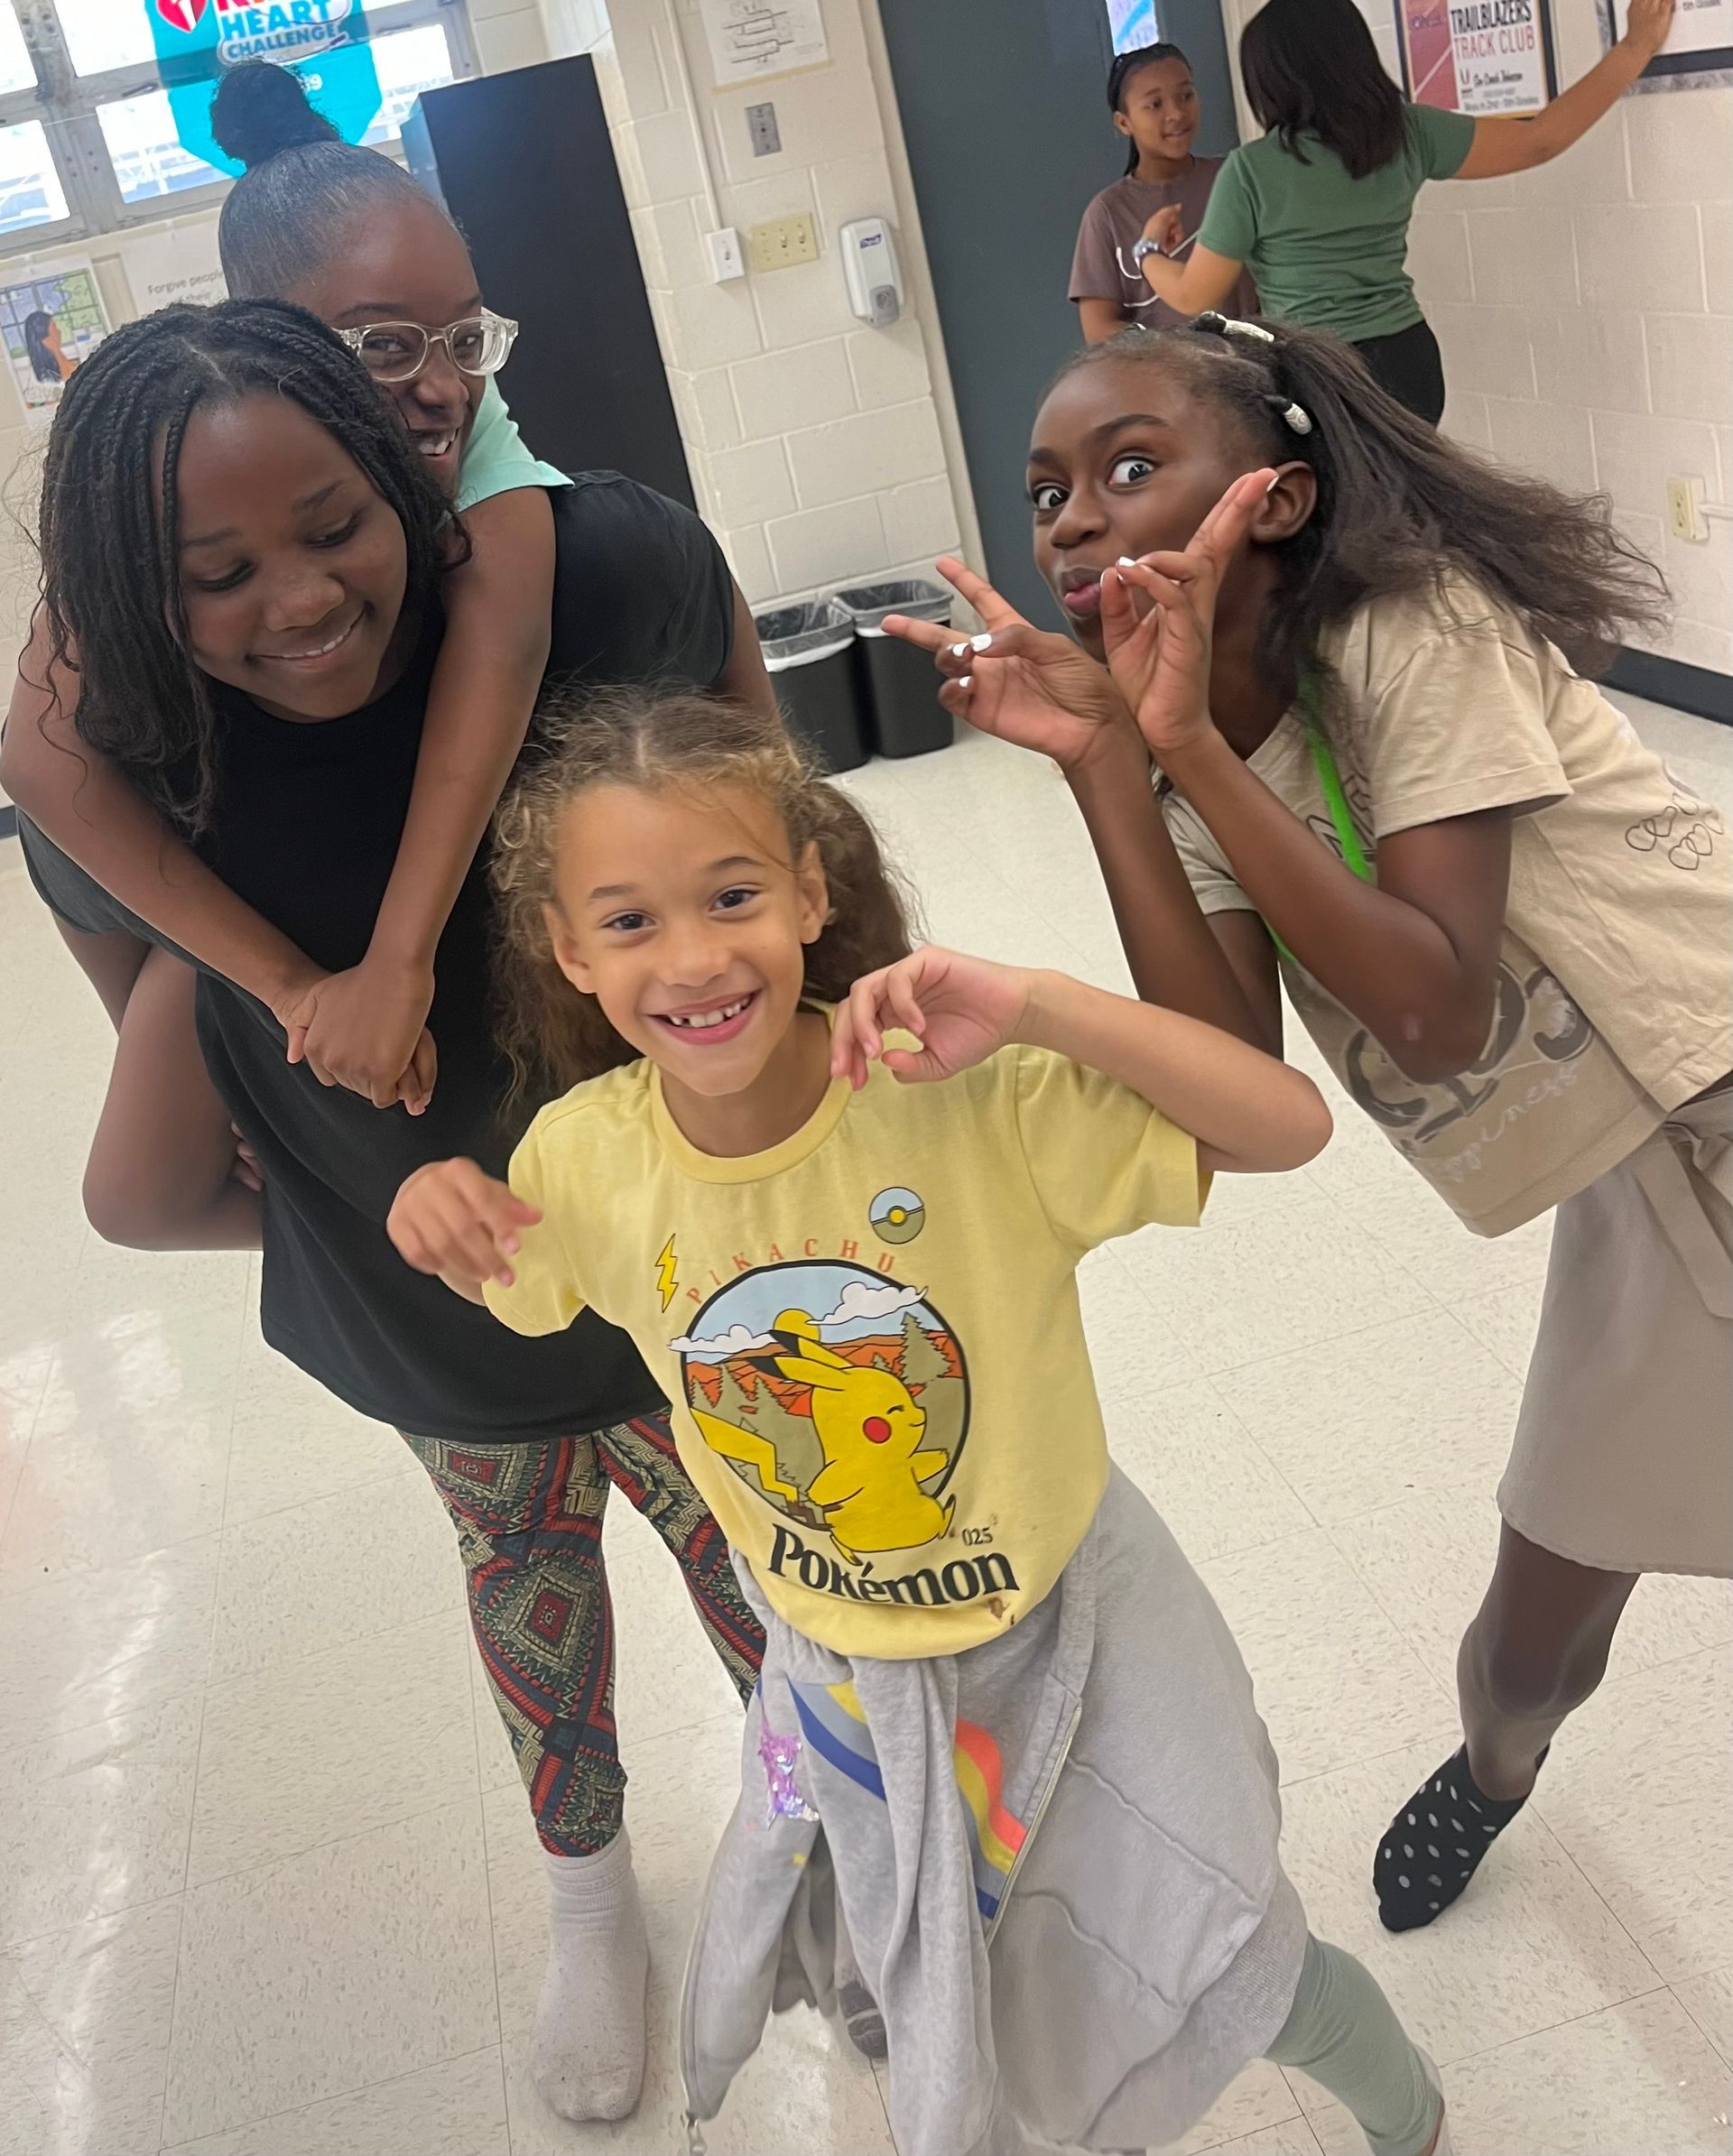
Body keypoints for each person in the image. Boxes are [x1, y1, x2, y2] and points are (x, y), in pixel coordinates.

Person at [386, 683, 1459, 2156]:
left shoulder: (954, 1097)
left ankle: (1411, 2112)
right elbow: (509, 1274)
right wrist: (427, 1203)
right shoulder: (584, 1160)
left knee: (1215, 1942)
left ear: (811, 889)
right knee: (985, 1994)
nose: (693, 955)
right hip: (845, 1664)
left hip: (1070, 1624)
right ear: (568, 949)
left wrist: (1035, 1000)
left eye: (733, 893)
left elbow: (1284, 1123)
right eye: (628, 920)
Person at [1, 297, 776, 2124]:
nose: (292, 598)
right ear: (132, 595)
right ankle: (588, 1895)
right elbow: (163, 1088)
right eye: (212, 572)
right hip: (437, 1320)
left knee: (777, 1586)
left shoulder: (544, 631)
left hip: (679, 1280)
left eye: (331, 527)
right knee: (528, 1594)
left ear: (407, 486)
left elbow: (754, 818)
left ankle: (828, 1842)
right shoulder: (144, 774)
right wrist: (338, 1202)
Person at [880, 314, 1732, 1936]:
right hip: (1642, 1193)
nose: (1071, 518)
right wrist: (1110, 769)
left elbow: (1434, 1005)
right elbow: (1227, 1078)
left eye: (1130, 468)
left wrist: (1181, 742)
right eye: (1048, 491)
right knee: (1533, 1634)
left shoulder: (1418, 626)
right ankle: (1497, 1762)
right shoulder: (1194, 727)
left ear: (1268, 496)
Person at [0, 58, 645, 1249]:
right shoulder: (185, 453)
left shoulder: (496, 459)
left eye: (462, 334)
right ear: (276, 349)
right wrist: (277, 1000)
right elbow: (40, 761)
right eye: (384, 347)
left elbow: (503, 637)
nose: (440, 383)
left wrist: (396, 960)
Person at [1128, 0, 1677, 422]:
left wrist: (1150, 251)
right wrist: (1633, 48)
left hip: (1320, 377)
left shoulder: (1253, 169)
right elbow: (1540, 140)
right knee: (1404, 536)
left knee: (1346, 549)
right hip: (1408, 363)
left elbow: (1193, 295)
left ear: (1270, 80)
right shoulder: (1408, 133)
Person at [1069, 42, 1255, 342]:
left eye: (1186, 96)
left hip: (1252, 373)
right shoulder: (1107, 213)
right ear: (1124, 122)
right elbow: (1098, 329)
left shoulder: (1235, 177)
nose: (1176, 114)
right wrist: (1176, 355)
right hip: (1164, 383)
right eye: (1155, 105)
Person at [23, 308, 74, 384]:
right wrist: (56, 350)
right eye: (54, 327)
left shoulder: (56, 358)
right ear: (45, 336)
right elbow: (70, 378)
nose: (58, 331)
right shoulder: (46, 375)